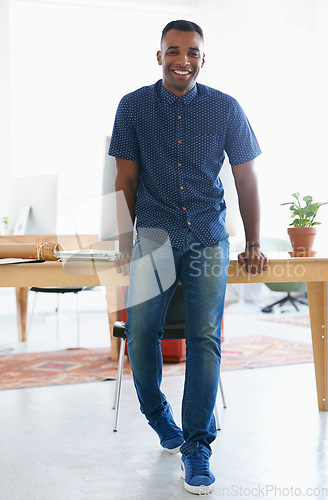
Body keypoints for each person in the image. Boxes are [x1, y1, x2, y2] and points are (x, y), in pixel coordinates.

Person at [109, 19, 268, 495]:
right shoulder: (134, 106)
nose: (183, 59)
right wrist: (123, 244)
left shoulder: (225, 108)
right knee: (140, 333)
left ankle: (198, 445)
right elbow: (126, 182)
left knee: (204, 338)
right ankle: (158, 415)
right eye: (173, 50)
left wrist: (254, 243)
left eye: (192, 51)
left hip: (207, 236)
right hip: (153, 238)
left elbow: (245, 179)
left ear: (203, 57)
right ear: (158, 56)